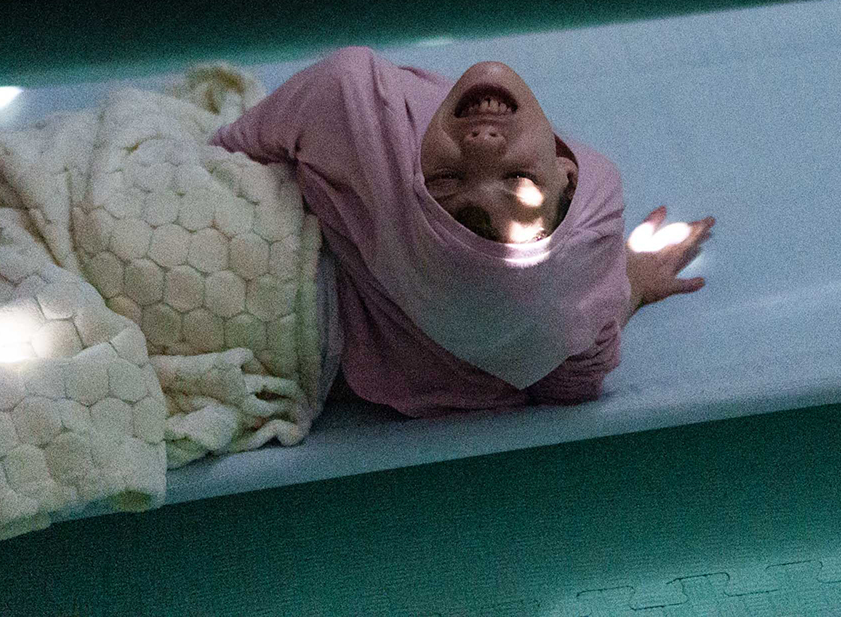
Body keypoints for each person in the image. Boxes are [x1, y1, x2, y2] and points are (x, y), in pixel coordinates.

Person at [211, 47, 714, 416]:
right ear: (568, 175)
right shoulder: (553, 325)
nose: (482, 141)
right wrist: (627, 286)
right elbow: (568, 377)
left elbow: (223, 155)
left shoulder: (348, 101)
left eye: (447, 181)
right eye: (518, 181)